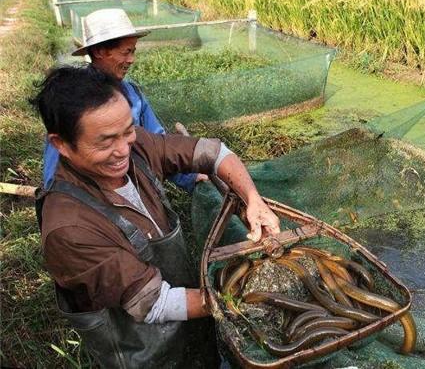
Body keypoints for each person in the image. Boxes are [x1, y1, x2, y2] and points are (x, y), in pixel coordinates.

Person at [31, 65, 280, 368]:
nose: (123, 150)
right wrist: (240, 299)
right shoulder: (69, 228)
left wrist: (253, 200)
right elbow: (152, 304)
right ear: (61, 145)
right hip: (142, 346)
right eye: (106, 141)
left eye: (128, 131)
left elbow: (213, 153)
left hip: (189, 312)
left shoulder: (136, 147)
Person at [42, 8, 205, 192]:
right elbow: (55, 165)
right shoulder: (73, 99)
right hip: (94, 195)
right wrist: (55, 198)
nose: (132, 59)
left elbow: (159, 145)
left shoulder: (133, 93)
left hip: (138, 188)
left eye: (133, 51)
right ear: (99, 51)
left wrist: (189, 177)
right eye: (126, 52)